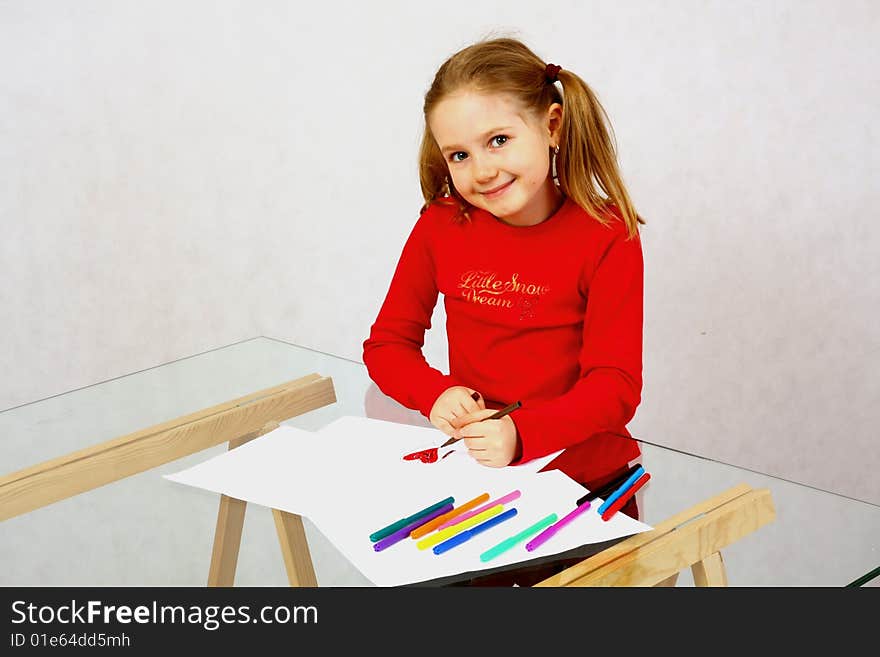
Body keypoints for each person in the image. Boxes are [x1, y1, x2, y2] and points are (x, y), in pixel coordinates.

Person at [362, 37, 646, 585]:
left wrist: (522, 432)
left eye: (498, 140)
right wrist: (434, 392)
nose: (482, 170)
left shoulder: (608, 235)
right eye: (460, 155)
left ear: (553, 126)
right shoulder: (441, 225)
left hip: (586, 487)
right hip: (479, 484)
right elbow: (388, 345)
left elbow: (615, 387)